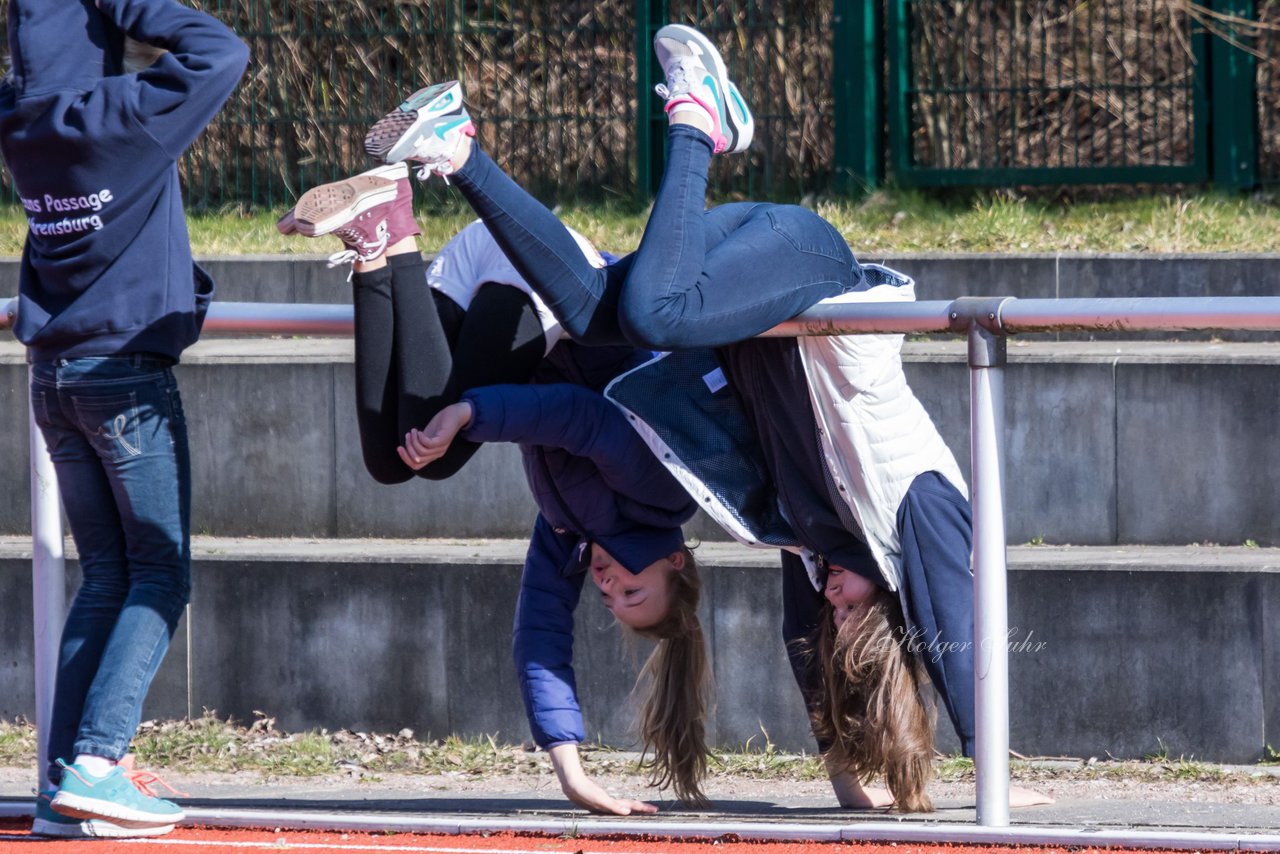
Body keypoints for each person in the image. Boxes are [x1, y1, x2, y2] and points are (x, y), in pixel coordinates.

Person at [358, 23, 1050, 812]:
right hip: (816, 271)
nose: (832, 597)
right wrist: (993, 769)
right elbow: (958, 620)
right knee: (651, 310)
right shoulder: (913, 503)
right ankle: (699, 115)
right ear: (894, 598)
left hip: (737, 302)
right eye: (855, 606)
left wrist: (845, 781)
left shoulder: (800, 535)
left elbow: (803, 647)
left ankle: (454, 149)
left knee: (591, 309)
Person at [278, 182, 712, 812]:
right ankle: (389, 230)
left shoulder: (570, 530)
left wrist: (572, 775)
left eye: (610, 598)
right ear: (674, 562)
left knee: (391, 458)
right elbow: (579, 418)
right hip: (554, 286)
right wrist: (471, 413)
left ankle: (379, 243)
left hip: (491, 288)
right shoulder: (665, 497)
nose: (608, 584)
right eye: (631, 589)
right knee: (440, 448)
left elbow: (539, 635)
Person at [0, 0, 248, 838]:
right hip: (125, 378)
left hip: (55, 377)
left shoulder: (19, 118)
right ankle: (101, 764)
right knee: (160, 573)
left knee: (106, 577)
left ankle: (61, 789)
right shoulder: (124, 114)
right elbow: (221, 50)